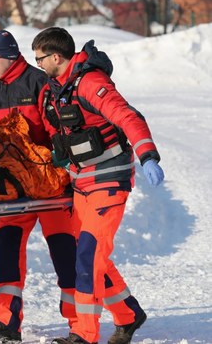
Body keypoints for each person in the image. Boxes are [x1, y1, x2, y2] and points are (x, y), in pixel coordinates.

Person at [31, 27, 165, 344]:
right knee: (92, 257)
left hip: (109, 180)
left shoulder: (91, 83)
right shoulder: (52, 90)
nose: (37, 64)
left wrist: (147, 155)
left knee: (88, 257)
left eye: (39, 59)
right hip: (81, 184)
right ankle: (129, 315)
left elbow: (128, 117)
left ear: (56, 56)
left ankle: (84, 334)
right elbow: (56, 134)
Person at [0, 30, 78, 343]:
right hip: (14, 187)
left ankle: (80, 324)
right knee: (7, 250)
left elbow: (58, 131)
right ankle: (6, 320)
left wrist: (64, 172)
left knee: (64, 253)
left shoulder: (38, 82)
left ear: (9, 56)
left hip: (50, 184)